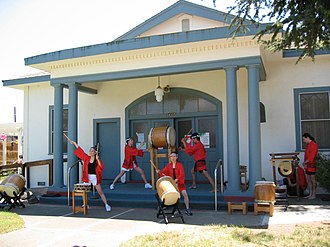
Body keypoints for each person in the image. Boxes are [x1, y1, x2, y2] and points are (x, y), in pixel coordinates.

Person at [70, 140, 111, 211]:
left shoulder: (98, 160)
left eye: (92, 151)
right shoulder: (87, 158)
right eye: (90, 151)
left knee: (100, 191)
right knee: (84, 191)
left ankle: (106, 205)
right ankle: (85, 204)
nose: (90, 152)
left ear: (95, 152)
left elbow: (101, 167)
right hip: (87, 176)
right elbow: (81, 151)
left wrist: (98, 160)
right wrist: (75, 143)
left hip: (95, 177)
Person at [156, 151, 192, 216]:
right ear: (170, 158)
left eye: (174, 156)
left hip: (179, 183)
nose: (173, 158)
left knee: (185, 194)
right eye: (171, 156)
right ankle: (163, 205)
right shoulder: (168, 166)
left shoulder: (180, 165)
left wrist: (176, 180)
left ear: (177, 157)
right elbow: (163, 173)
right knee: (165, 193)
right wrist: (159, 171)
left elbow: (182, 174)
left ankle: (187, 208)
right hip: (172, 185)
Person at [302, 133, 318, 200]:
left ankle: (313, 194)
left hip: (311, 165)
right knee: (308, 180)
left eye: (304, 139)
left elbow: (312, 156)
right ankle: (310, 194)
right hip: (307, 165)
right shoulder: (308, 145)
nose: (303, 140)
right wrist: (305, 163)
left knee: (312, 180)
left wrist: (305, 162)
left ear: (307, 137)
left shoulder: (314, 145)